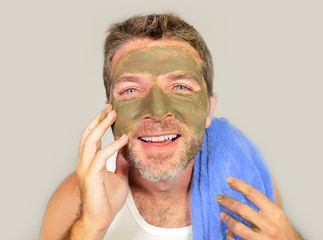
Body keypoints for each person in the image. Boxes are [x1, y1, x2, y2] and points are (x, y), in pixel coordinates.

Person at [39, 14, 302, 240]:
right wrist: (90, 226)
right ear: (109, 112)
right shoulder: (76, 197)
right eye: (131, 90)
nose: (156, 111)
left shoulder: (251, 185)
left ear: (209, 110)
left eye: (180, 87)